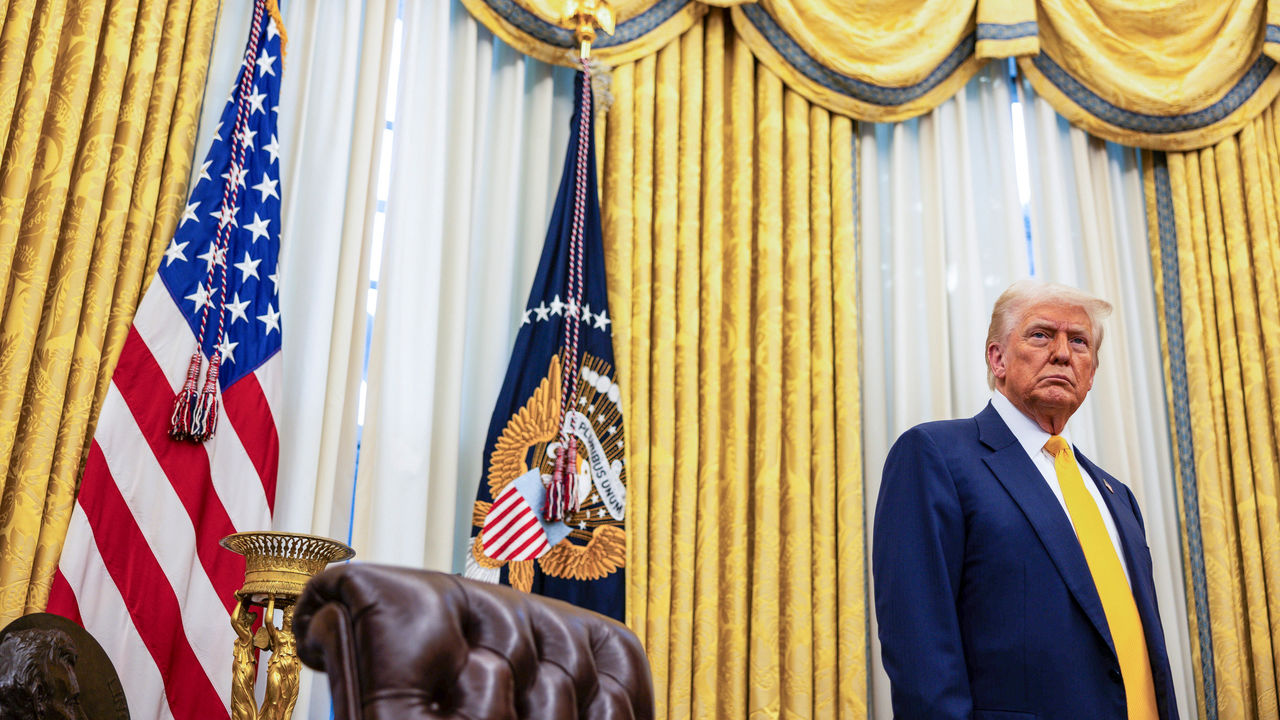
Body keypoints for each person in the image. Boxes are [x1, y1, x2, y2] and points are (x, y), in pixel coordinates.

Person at [872, 279, 1179, 720]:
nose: (1062, 352)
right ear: (996, 358)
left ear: (1091, 374)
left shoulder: (1118, 496)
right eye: (1040, 335)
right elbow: (919, 649)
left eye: (1079, 341)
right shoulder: (935, 455)